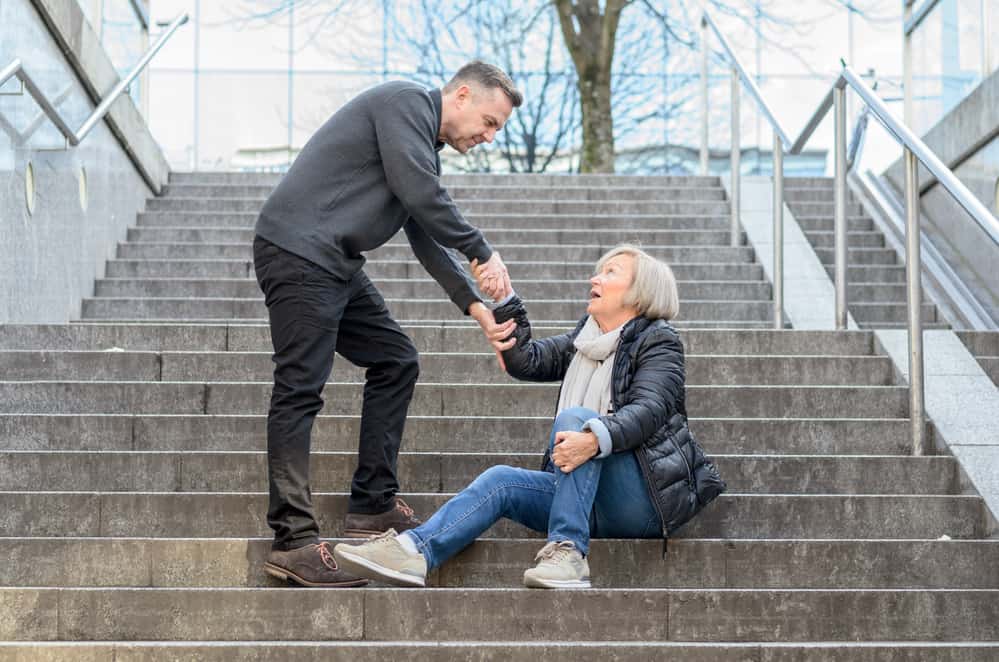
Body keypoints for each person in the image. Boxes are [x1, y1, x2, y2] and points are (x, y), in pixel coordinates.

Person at [254, 61, 523, 587]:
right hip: (299, 253)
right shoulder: (404, 102)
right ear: (463, 95)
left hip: (334, 264)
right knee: (300, 390)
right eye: (490, 122)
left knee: (396, 360)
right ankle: (293, 540)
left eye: (497, 130)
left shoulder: (419, 147)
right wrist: (481, 250)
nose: (489, 137)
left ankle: (372, 505)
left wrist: (476, 306)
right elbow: (424, 197)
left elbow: (423, 226)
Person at [333, 245, 726, 589]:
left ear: (640, 294)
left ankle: (568, 550)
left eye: (611, 272)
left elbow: (651, 410)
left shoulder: (658, 340)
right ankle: (414, 551)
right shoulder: (585, 341)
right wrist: (505, 300)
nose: (596, 277)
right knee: (501, 481)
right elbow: (527, 360)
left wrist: (593, 437)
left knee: (577, 419)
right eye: (600, 269)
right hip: (585, 495)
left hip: (641, 498)